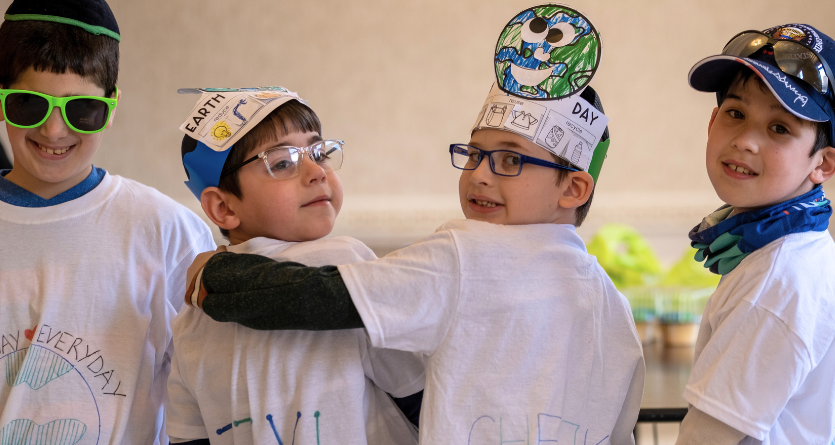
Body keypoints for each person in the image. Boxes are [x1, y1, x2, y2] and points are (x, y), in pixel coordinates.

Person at [182, 6, 645, 444]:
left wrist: (216, 273)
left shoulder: (465, 254)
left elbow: (315, 298)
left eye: (508, 160)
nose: (479, 174)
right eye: (475, 154)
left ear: (573, 189)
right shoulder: (614, 307)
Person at [0, 0, 215, 443]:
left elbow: (204, 396)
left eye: (81, 109)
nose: (54, 131)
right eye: (28, 104)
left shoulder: (167, 232)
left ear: (111, 107)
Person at [167, 87, 425, 444]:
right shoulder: (342, 266)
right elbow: (422, 401)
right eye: (282, 162)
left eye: (319, 153)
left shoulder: (191, 315)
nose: (316, 171)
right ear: (224, 208)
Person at [673, 24, 835, 444]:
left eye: (779, 128)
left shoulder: (777, 279)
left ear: (823, 164)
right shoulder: (786, 252)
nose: (745, 140)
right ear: (713, 122)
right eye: (736, 113)